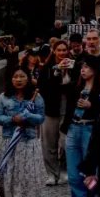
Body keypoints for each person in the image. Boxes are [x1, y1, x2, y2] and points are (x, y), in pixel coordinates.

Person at [0, 65, 46, 197]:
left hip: (27, 142)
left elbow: (40, 117)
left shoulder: (35, 97)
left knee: (24, 180)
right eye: (15, 76)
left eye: (22, 76)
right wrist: (12, 119)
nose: (18, 79)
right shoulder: (3, 97)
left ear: (28, 78)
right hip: (9, 141)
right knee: (4, 179)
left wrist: (27, 116)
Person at [62, 54, 100, 197]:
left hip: (91, 131)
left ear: (95, 70)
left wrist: (92, 105)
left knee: (89, 177)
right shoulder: (76, 87)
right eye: (82, 67)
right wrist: (64, 70)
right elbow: (62, 87)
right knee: (74, 177)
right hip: (74, 129)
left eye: (87, 67)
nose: (83, 70)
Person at [38, 39, 75, 185]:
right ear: (54, 51)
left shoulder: (73, 66)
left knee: (66, 143)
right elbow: (44, 88)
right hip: (50, 109)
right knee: (49, 143)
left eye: (64, 50)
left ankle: (64, 170)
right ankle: (52, 173)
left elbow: (76, 86)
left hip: (67, 109)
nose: (62, 53)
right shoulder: (47, 68)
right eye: (59, 50)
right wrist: (56, 72)